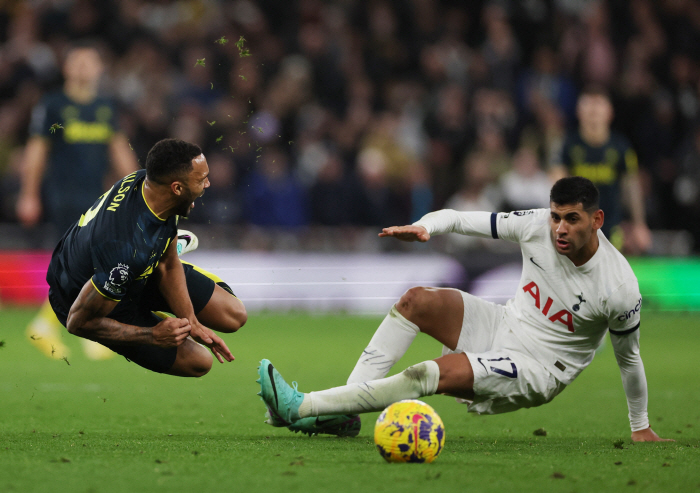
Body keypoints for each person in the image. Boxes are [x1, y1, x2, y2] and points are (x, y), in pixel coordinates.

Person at [258, 177, 670, 442]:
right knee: (416, 300)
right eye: (556, 217)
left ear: (597, 220)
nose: (560, 229)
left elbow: (629, 360)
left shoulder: (618, 287)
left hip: (540, 368)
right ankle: (343, 415)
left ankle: (305, 406)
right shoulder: (536, 225)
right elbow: (457, 218)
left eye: (572, 220)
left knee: (429, 374)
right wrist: (426, 227)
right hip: (505, 324)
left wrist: (640, 427)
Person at [46, 138, 247, 376]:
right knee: (199, 362)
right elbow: (77, 322)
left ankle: (153, 256)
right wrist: (152, 335)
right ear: (177, 187)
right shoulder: (124, 249)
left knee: (234, 316)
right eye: (201, 179)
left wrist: (190, 320)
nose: (208, 184)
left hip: (126, 265)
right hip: (80, 296)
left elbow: (169, 264)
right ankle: (146, 274)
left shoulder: (153, 184)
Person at [17, 44, 139, 360]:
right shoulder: (54, 104)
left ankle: (55, 325)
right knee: (84, 260)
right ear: (67, 68)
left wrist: (140, 188)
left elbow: (118, 149)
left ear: (100, 68)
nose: (84, 67)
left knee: (88, 262)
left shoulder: (105, 107)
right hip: (62, 194)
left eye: (90, 61)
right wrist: (28, 194)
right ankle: (82, 330)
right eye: (77, 61)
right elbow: (37, 149)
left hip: (95, 196)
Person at [550, 85, 651, 253]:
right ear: (578, 112)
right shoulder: (567, 145)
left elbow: (631, 186)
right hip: (575, 228)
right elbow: (556, 184)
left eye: (598, 107)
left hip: (611, 226)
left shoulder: (621, 147)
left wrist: (639, 224)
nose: (593, 112)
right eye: (588, 106)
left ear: (610, 113)